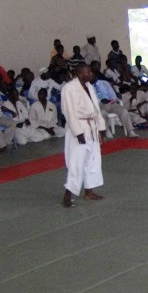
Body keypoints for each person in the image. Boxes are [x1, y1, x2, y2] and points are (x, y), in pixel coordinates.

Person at [60, 63, 107, 207]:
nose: (91, 74)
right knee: (76, 162)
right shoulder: (69, 89)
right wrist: (78, 132)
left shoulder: (89, 87)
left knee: (92, 160)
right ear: (80, 74)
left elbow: (96, 109)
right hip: (79, 128)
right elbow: (69, 112)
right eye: (88, 73)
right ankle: (67, 195)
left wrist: (100, 127)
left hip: (91, 127)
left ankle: (89, 192)